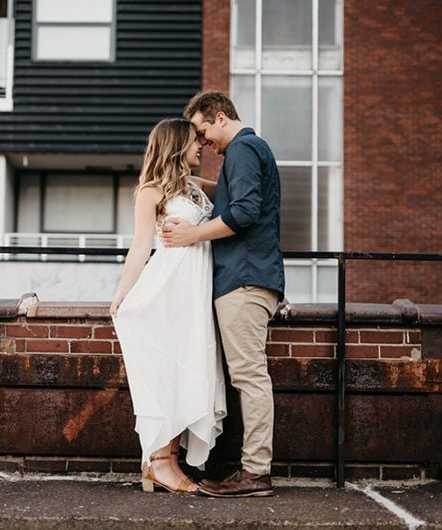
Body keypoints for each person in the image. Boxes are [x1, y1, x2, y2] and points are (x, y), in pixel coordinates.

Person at [161, 90, 285, 498]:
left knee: (249, 377)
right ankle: (252, 472)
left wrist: (192, 234)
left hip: (245, 281)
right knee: (247, 376)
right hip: (249, 279)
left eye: (201, 131)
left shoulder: (244, 148)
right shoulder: (248, 152)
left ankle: (256, 475)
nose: (201, 143)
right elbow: (238, 197)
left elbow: (245, 211)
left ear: (218, 117)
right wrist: (195, 183)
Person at [110, 118, 226, 494]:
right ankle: (160, 462)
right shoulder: (151, 190)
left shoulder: (193, 186)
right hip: (168, 289)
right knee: (167, 370)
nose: (201, 147)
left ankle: (168, 462)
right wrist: (122, 295)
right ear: (177, 144)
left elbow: (232, 192)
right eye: (195, 141)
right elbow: (141, 246)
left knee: (188, 367)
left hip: (194, 291)